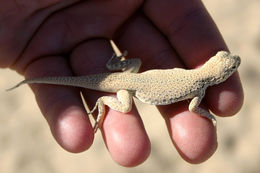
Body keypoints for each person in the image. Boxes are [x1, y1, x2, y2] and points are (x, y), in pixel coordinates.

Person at [0, 0, 243, 167]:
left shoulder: (195, 78)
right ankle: (103, 101)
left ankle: (113, 65)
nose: (232, 64)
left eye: (228, 65)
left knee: (134, 61)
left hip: (133, 75)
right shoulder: (198, 89)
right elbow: (192, 108)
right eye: (227, 64)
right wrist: (208, 115)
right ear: (216, 72)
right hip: (131, 86)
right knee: (124, 107)